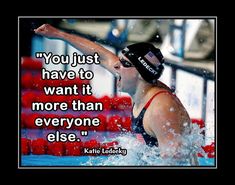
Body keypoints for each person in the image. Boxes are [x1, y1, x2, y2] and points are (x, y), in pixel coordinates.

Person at [34, 23, 198, 165]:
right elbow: (101, 56)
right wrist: (59, 34)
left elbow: (175, 162)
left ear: (141, 73)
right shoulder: (143, 89)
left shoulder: (160, 109)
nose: (116, 66)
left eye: (125, 63)